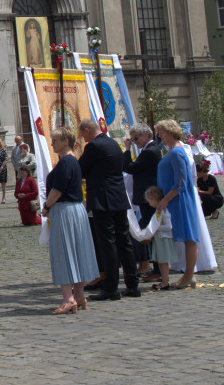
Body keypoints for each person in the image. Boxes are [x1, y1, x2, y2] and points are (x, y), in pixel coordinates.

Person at [77, 119, 139, 301]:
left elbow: (81, 169)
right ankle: (133, 284)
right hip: (118, 197)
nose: (84, 139)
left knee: (108, 244)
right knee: (124, 242)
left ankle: (111, 287)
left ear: (87, 131)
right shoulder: (113, 143)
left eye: (83, 135)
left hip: (102, 198)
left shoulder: (94, 147)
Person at [41, 127, 100, 315]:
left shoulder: (66, 162)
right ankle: (80, 295)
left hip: (65, 210)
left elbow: (57, 190)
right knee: (75, 252)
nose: (52, 144)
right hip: (75, 209)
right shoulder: (72, 160)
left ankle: (68, 298)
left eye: (55, 140)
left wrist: (47, 206)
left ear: (66, 141)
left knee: (64, 253)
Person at [154, 119, 204, 290]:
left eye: (161, 131)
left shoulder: (177, 152)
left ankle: (189, 274)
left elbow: (181, 182)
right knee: (185, 237)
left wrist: (165, 199)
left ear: (169, 132)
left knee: (189, 237)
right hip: (174, 199)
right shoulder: (171, 151)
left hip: (179, 200)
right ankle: (187, 274)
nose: (159, 135)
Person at [122, 122, 162, 279]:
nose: (135, 142)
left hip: (150, 198)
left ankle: (158, 269)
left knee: (152, 233)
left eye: (136, 138)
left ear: (146, 135)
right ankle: (156, 267)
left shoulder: (150, 151)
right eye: (133, 139)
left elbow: (130, 168)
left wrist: (126, 150)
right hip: (146, 198)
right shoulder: (147, 150)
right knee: (149, 233)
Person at [138, 187, 177, 291]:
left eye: (149, 201)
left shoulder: (163, 211)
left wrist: (156, 228)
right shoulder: (158, 210)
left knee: (163, 261)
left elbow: (169, 226)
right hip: (160, 239)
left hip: (164, 239)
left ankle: (165, 282)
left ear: (153, 198)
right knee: (160, 261)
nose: (149, 203)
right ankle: (164, 280)